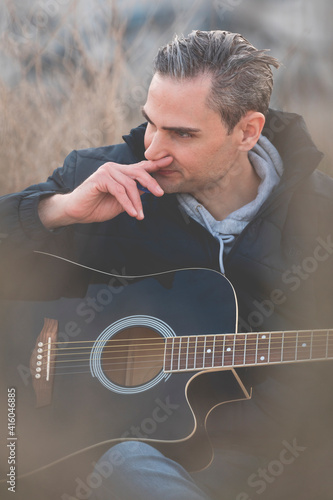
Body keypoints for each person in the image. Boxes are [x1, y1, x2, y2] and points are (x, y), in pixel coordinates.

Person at [1, 30, 333, 499]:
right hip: (117, 456)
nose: (153, 148)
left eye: (181, 133)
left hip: (267, 460)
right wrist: (60, 209)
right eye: (150, 123)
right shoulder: (101, 179)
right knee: (126, 461)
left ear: (247, 131)